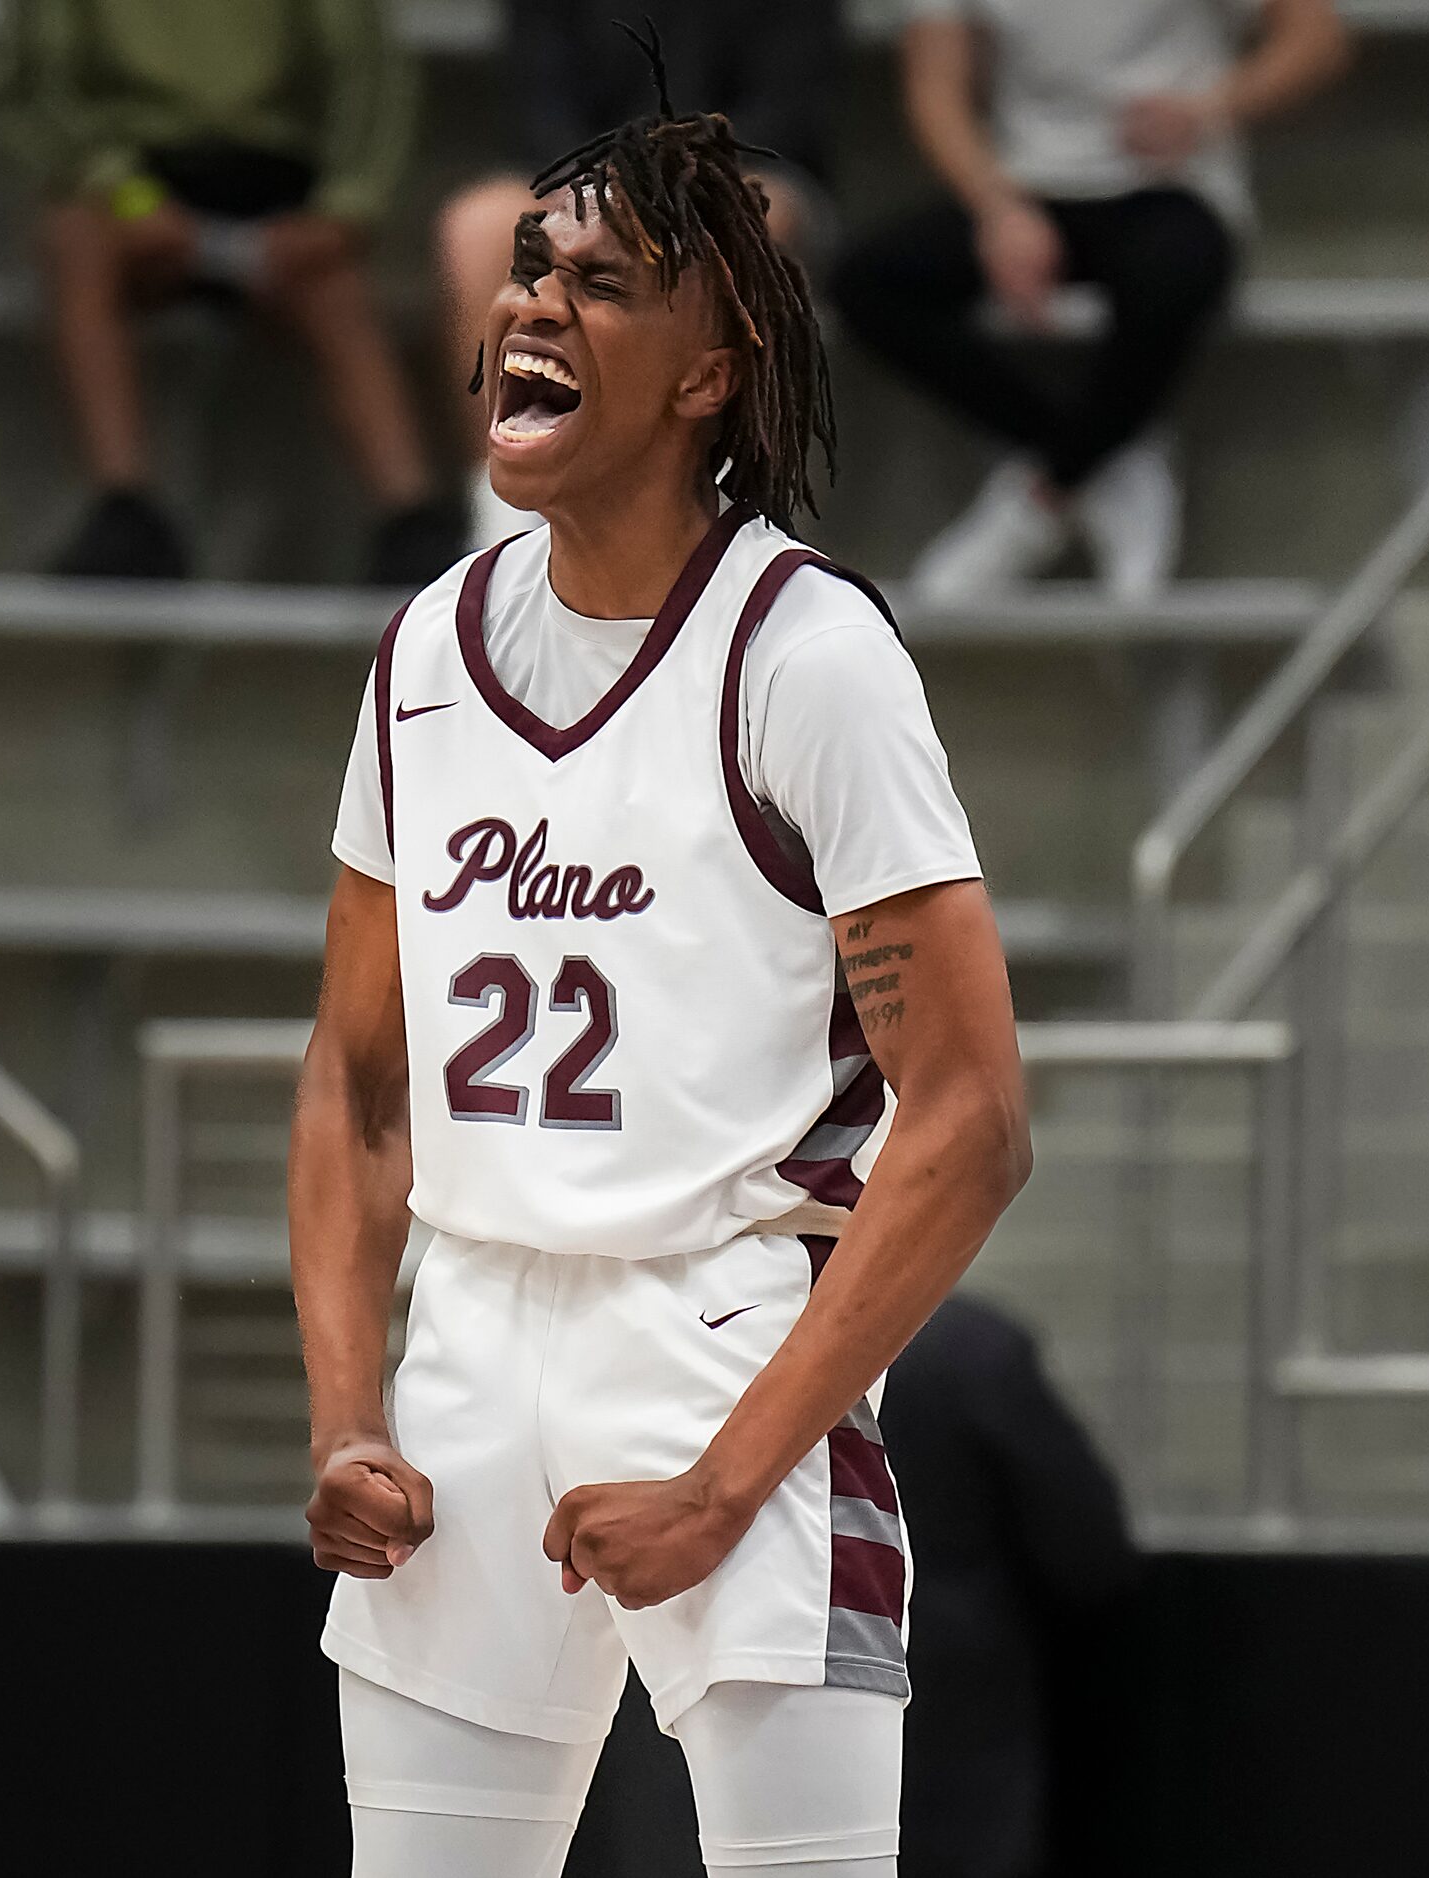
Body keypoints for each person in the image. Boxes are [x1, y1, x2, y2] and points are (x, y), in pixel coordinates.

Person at [289, 68, 1030, 1878]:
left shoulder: (808, 653)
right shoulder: (426, 653)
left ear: (710, 374)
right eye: (531, 266)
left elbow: (972, 1116)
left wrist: (729, 1475)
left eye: (601, 283)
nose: (531, 301)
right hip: (463, 1347)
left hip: (727, 1339)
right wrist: (343, 1408)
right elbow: (359, 1078)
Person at [831, 0, 1351, 603]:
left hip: (1170, 185)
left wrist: (1212, 107)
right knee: (866, 283)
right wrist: (998, 206)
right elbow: (934, 87)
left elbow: (1316, 37)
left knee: (1175, 277)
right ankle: (1101, 459)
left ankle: (1043, 493)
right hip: (1026, 185)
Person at [0, 0, 457, 582]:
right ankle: (124, 510)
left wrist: (344, 208)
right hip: (128, 182)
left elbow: (370, 76)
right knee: (73, 241)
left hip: (280, 178)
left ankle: (409, 520)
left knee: (336, 283)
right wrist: (124, 193)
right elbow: (28, 84)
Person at [437, 1, 847, 549]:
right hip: (575, 176)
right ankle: (503, 518)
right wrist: (606, 188)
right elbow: (538, 98)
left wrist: (671, 187)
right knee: (478, 226)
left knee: (753, 220)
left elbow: (790, 109)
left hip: (739, 175)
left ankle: (730, 508)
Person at [877, 1295, 1139, 1878]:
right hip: (953, 1705)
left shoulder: (720, 1334)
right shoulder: (969, 1345)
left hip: (754, 1683)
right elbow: (1084, 1542)